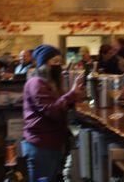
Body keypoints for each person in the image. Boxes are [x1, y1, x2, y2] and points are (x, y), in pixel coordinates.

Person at [22, 44, 84, 182]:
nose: (58, 65)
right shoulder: (36, 83)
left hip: (51, 143)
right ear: (43, 64)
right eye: (54, 61)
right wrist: (72, 94)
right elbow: (53, 110)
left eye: (59, 62)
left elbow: (59, 105)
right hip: (41, 145)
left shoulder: (49, 83)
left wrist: (74, 97)